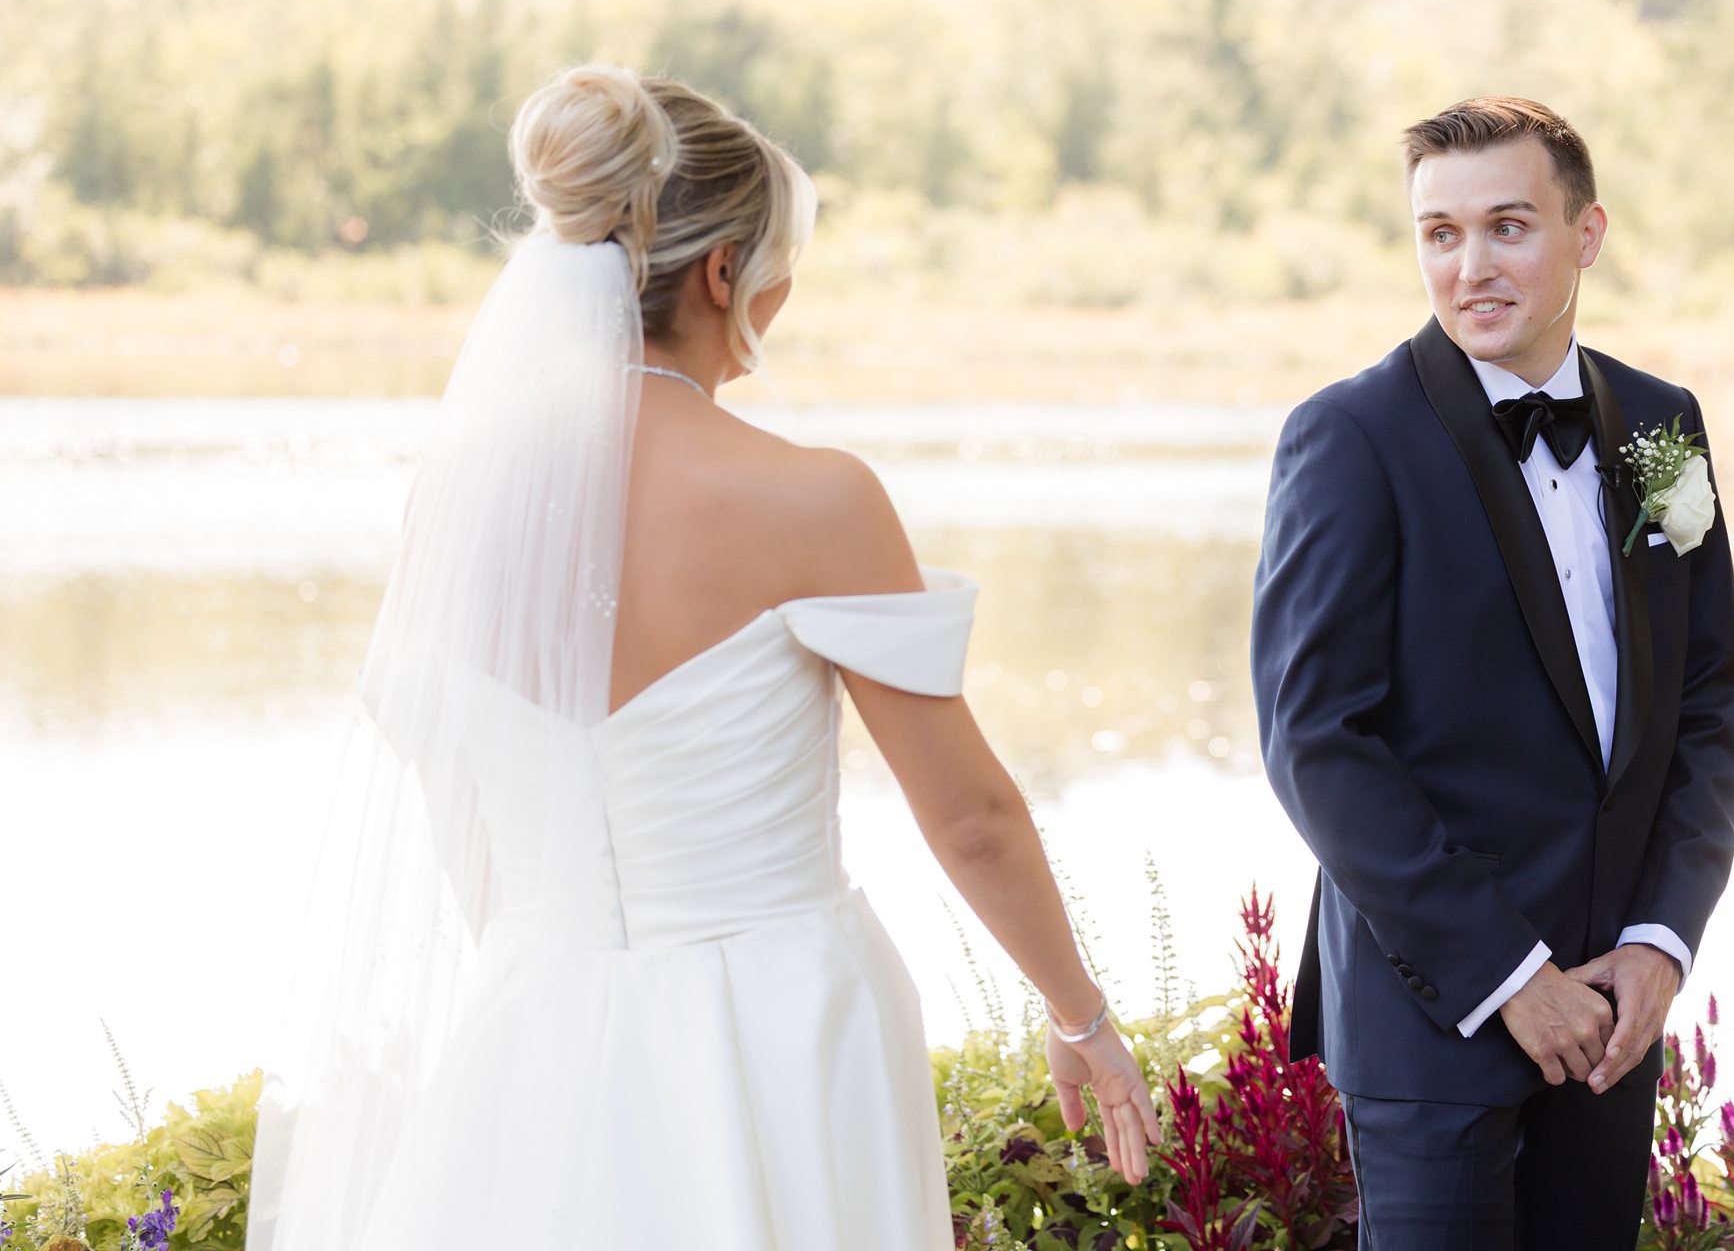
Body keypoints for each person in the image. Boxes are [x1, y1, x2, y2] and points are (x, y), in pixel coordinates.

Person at [247, 65, 1158, 1250]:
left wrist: (572, 977)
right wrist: (1081, 1017)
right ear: (723, 273)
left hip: (537, 1021)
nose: (776, 302)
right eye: (775, 273)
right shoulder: (815, 498)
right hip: (783, 1028)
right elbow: (971, 817)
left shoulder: (459, 498)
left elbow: (455, 790)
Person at [1251, 96, 1734, 1249]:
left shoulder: (1665, 429)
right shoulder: (1348, 437)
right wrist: (1511, 974)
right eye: (1439, 233)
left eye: (1509, 227)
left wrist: (1663, 937)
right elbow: (1316, 740)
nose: (1470, 266)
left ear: (1588, 233)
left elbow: (1710, 698)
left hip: (1615, 1016)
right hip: (1437, 1016)